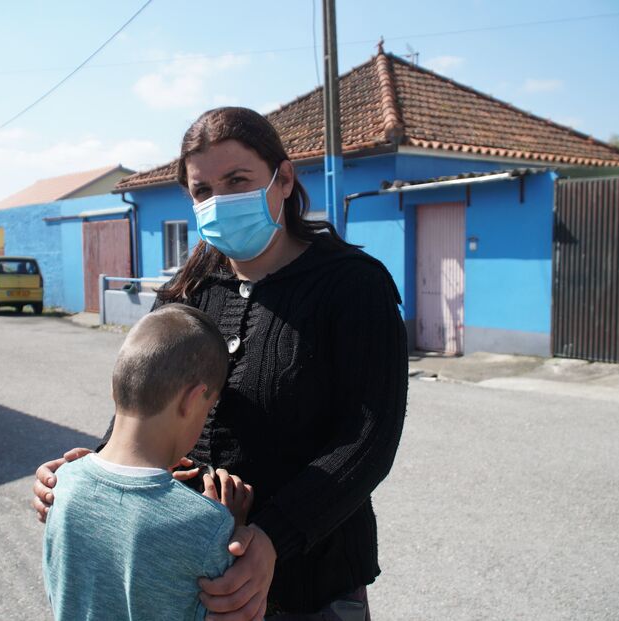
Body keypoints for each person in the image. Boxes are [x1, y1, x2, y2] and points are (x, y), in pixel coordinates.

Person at [34, 106, 409, 620]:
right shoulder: (187, 291)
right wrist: (90, 471)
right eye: (203, 191)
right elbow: (146, 397)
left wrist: (272, 538)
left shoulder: (352, 287)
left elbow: (369, 438)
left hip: (310, 587)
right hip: (185, 577)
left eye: (237, 180)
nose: (220, 200)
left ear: (283, 179)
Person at [42, 303, 255, 621]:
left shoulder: (63, 485)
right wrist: (229, 528)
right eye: (208, 409)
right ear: (192, 400)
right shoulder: (206, 525)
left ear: (116, 386)